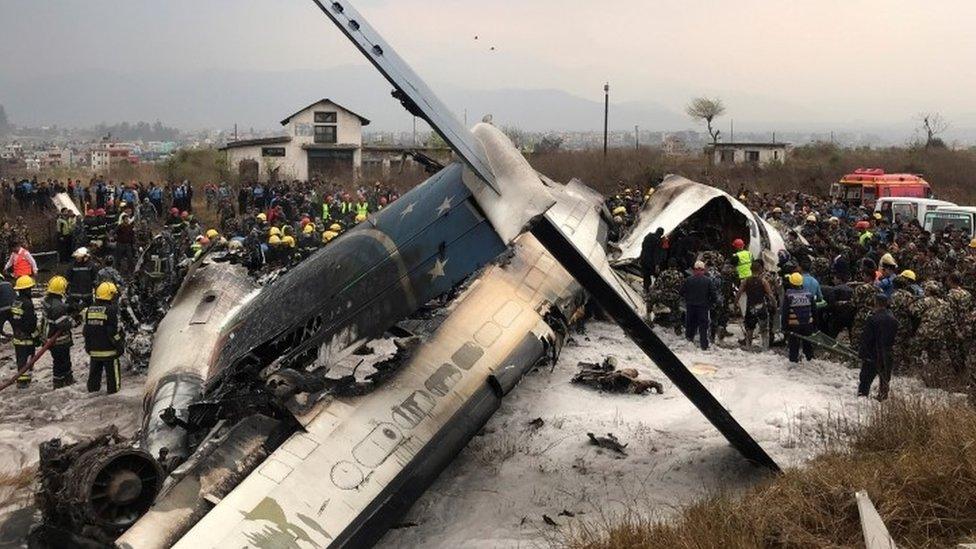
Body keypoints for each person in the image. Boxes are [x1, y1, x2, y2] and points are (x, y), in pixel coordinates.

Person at [83, 282, 124, 394]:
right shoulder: (110, 310)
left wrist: (88, 346)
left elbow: (86, 330)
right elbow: (112, 332)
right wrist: (120, 345)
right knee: (113, 384)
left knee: (94, 378)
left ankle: (92, 392)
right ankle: (112, 396)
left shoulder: (89, 310)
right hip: (109, 352)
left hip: (94, 352)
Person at [858, 293, 898, 400]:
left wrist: (862, 353)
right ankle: (883, 399)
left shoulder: (873, 319)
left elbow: (867, 338)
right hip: (887, 352)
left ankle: (862, 397)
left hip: (873, 353)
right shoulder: (893, 319)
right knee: (884, 379)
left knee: (866, 378)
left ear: (876, 303)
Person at [42, 276, 75, 388]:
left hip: (50, 338)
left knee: (58, 361)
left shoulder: (48, 301)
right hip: (59, 340)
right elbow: (63, 324)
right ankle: (61, 382)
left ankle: (62, 380)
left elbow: (57, 310)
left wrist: (67, 308)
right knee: (63, 361)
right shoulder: (57, 306)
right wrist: (75, 321)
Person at [737, 260, 776, 348]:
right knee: (764, 331)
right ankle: (765, 349)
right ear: (760, 269)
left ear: (750, 269)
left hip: (750, 308)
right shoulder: (763, 281)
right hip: (762, 308)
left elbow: (739, 293)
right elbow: (770, 295)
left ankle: (748, 348)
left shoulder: (746, 281)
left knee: (749, 330)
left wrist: (736, 304)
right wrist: (774, 304)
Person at [10, 276, 40, 388]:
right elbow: (31, 323)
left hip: (17, 337)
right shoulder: (27, 303)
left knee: (21, 360)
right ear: (26, 289)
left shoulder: (16, 301)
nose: (31, 291)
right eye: (30, 288)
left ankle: (22, 381)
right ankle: (24, 383)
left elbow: (14, 319)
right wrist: (36, 337)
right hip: (26, 339)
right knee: (27, 360)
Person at [782, 272, 815, 363]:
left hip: (794, 326)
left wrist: (784, 327)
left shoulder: (789, 295)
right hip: (808, 325)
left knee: (793, 347)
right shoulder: (809, 294)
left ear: (791, 283)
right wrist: (814, 326)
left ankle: (793, 362)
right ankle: (809, 359)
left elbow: (785, 312)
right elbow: (814, 311)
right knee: (808, 345)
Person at [680, 260, 712, 350]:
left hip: (691, 307)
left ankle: (689, 345)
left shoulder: (688, 280)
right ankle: (704, 346)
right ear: (703, 270)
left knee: (690, 325)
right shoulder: (708, 281)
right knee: (703, 327)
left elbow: (681, 292)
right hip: (703, 307)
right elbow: (713, 295)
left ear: (694, 270)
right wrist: (709, 304)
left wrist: (687, 299)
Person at [639, 227, 665, 295]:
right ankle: (648, 289)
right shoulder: (658, 241)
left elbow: (643, 245)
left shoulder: (648, 236)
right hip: (650, 261)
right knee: (652, 275)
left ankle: (646, 288)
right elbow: (656, 253)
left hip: (643, 258)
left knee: (645, 274)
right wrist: (657, 264)